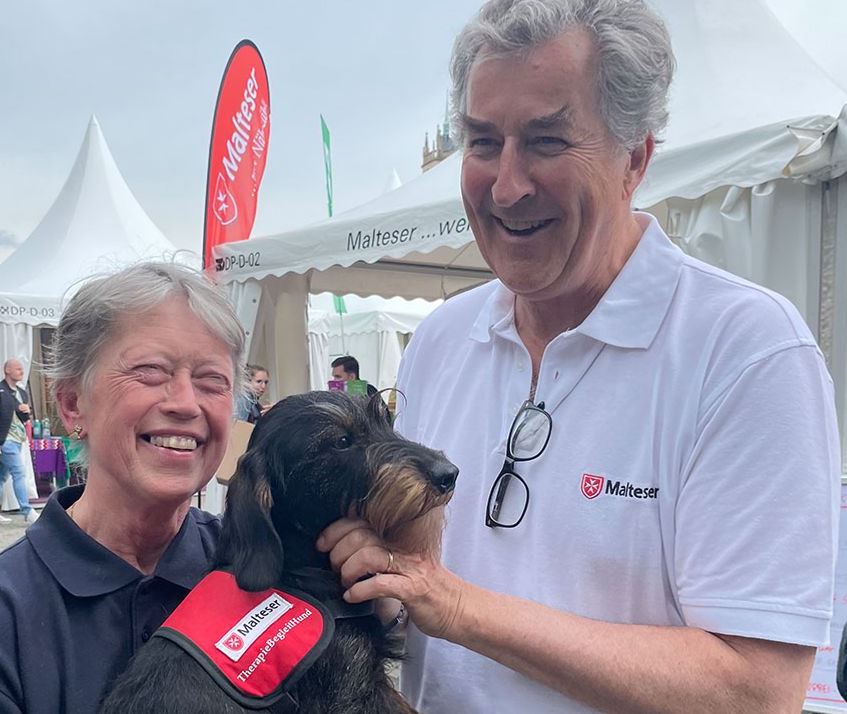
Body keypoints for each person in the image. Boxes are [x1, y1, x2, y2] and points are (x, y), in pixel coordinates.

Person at [317, 1, 840, 712]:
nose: (505, 186)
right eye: (481, 142)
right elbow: (408, 601)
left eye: (545, 142)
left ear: (635, 159)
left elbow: (754, 690)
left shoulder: (745, 351)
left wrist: (459, 608)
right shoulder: (440, 339)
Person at [0, 261, 245, 712]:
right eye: (150, 371)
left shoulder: (260, 568)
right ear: (71, 405)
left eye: (212, 381)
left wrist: (365, 608)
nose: (185, 403)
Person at [0, 358, 37, 525]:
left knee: (1, 476)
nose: (21, 371)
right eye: (17, 368)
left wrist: (27, 412)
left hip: (18, 439)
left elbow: (23, 418)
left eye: (22, 368)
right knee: (18, 472)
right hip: (5, 440)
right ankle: (27, 510)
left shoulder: (21, 392)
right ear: (7, 370)